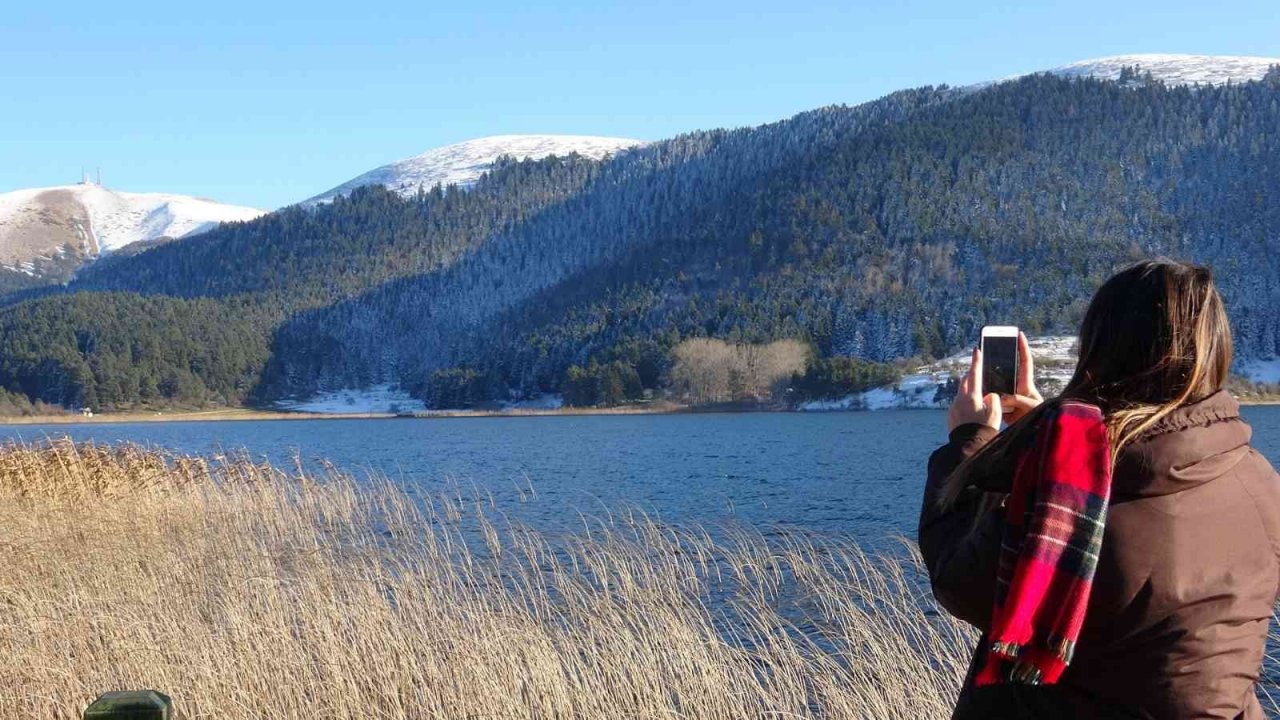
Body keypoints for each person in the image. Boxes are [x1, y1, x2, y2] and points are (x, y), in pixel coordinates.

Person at [919, 259, 1280, 719]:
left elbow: (960, 582)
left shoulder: (1074, 499)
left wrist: (969, 443)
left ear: (1102, 350)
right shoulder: (1257, 478)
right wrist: (1048, 434)